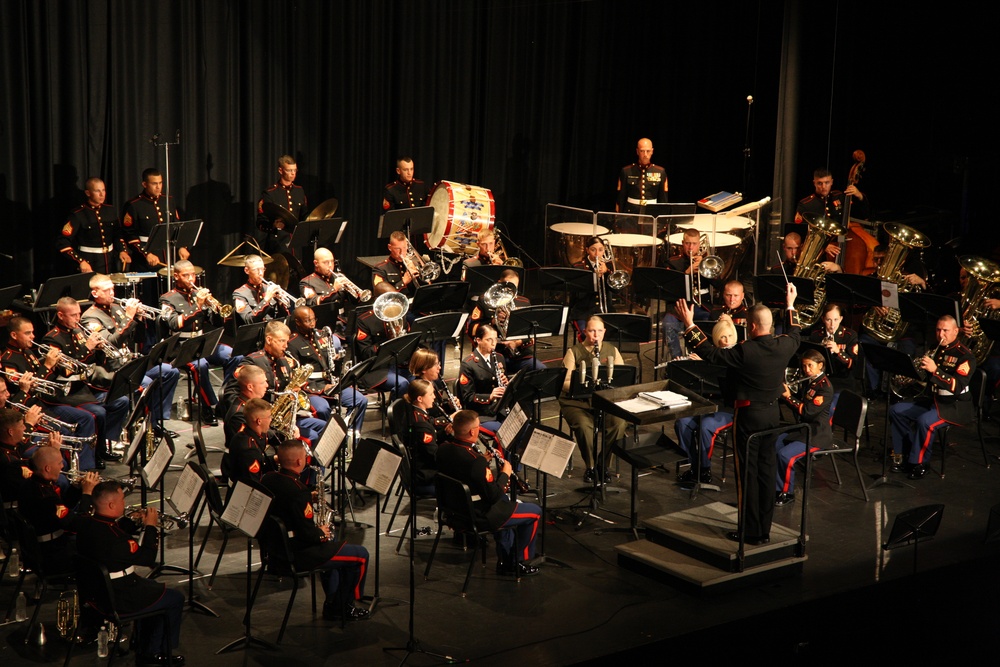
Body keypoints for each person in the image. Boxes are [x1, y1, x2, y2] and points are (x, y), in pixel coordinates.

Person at [675, 281, 801, 545]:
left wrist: (689, 324)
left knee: (748, 475)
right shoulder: (785, 347)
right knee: (766, 474)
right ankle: (763, 530)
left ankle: (749, 532)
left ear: (752, 327)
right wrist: (790, 304)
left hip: (748, 418)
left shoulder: (746, 351)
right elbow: (796, 332)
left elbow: (709, 353)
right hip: (772, 416)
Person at [74, 481, 185, 665]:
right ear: (111, 505)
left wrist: (130, 521)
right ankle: (154, 651)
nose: (124, 504)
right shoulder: (117, 542)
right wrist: (151, 526)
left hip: (94, 595)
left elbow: (112, 531)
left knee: (154, 589)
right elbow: (148, 558)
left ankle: (141, 643)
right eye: (122, 500)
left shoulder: (86, 524)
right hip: (118, 598)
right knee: (174, 598)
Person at [262, 439, 370, 621]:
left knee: (335, 548)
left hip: (274, 551)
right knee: (360, 555)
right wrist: (321, 531)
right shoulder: (298, 491)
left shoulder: (269, 479)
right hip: (297, 554)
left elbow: (285, 505)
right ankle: (345, 606)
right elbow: (307, 535)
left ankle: (333, 602)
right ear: (299, 462)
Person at [436, 410, 541, 576]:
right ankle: (515, 562)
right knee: (535, 512)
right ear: (472, 431)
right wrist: (505, 473)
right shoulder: (475, 462)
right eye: (478, 426)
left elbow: (462, 468)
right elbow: (493, 496)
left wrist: (482, 461)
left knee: (507, 503)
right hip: (476, 516)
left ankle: (505, 558)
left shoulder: (443, 449)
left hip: (453, 512)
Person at [83, 274, 180, 437]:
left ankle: (153, 421)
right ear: (95, 293)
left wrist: (139, 318)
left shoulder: (116, 308)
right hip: (114, 370)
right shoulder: (90, 318)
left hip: (130, 363)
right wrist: (128, 317)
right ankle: (141, 428)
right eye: (107, 290)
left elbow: (139, 339)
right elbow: (111, 343)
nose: (112, 293)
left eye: (112, 289)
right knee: (147, 383)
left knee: (170, 372)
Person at [42, 297, 131, 464]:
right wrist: (87, 348)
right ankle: (95, 454)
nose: (78, 319)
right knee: (99, 413)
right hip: (67, 392)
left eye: (79, 314)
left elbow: (92, 362)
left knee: (121, 400)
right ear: (61, 315)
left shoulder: (79, 331)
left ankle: (105, 443)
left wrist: (99, 350)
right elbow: (66, 370)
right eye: (73, 315)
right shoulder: (52, 339)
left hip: (86, 387)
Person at [2, 316, 99, 469]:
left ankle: (87, 467)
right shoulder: (8, 361)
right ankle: (67, 471)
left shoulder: (28, 351)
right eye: (27, 333)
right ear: (14, 335)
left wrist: (55, 365)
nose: (33, 337)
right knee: (65, 432)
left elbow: (48, 379)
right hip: (28, 409)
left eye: (32, 333)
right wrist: (47, 366)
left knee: (86, 418)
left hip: (45, 402)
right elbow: (22, 394)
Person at [889, 315, 975, 480]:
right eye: (938, 330)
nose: (941, 334)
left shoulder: (965, 356)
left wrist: (935, 371)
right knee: (896, 410)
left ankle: (919, 463)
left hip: (954, 405)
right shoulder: (936, 348)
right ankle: (903, 453)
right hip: (934, 400)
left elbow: (957, 387)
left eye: (945, 330)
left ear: (956, 331)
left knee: (925, 421)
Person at [159, 260, 239, 427]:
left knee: (233, 355)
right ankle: (208, 406)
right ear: (176, 276)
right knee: (200, 365)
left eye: (193, 275)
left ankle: (227, 399)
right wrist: (197, 306)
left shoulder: (198, 295)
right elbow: (174, 323)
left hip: (203, 341)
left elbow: (216, 322)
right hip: (181, 347)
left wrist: (218, 311)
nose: (191, 279)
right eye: (185, 275)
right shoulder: (167, 299)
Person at [558, 316, 627, 483]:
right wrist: (584, 385)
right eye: (591, 330)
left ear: (604, 332)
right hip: (578, 403)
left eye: (599, 331)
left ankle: (603, 465)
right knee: (584, 427)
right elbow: (564, 382)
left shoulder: (612, 350)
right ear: (585, 332)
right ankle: (590, 466)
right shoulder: (574, 351)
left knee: (619, 424)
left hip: (605, 402)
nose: (595, 335)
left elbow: (622, 378)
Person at [238, 320, 329, 443]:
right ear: (269, 340)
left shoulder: (284, 361)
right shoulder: (253, 361)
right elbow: (234, 393)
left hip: (285, 417)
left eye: (287, 341)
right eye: (282, 341)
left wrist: (295, 391)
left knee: (326, 427)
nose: (286, 346)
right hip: (265, 420)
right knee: (311, 436)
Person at [673, 319, 738, 489]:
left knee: (706, 426)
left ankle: (704, 470)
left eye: (730, 336)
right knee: (682, 423)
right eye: (722, 337)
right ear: (716, 340)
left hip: (728, 408)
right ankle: (694, 465)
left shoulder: (737, 357)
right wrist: (692, 366)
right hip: (706, 405)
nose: (727, 341)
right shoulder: (710, 355)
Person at [287, 305, 368, 436]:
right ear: (297, 322)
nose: (312, 324)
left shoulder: (321, 335)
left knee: (360, 400)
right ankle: (328, 441)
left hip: (330, 382)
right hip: (310, 389)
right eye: (308, 321)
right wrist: (321, 389)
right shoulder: (292, 343)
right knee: (323, 409)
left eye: (314, 320)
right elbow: (295, 377)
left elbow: (330, 365)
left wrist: (337, 360)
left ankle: (351, 435)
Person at [18, 447, 98, 573]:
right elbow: (78, 524)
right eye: (60, 463)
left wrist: (76, 489)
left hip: (42, 548)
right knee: (99, 544)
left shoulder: (32, 484)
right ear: (48, 468)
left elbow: (61, 507)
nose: (62, 467)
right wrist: (87, 494)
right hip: (53, 556)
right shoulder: (45, 496)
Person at [774, 348, 834, 506]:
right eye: (804, 366)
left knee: (785, 456)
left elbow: (808, 412)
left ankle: (787, 492)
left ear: (820, 365)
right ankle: (776, 487)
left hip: (817, 435)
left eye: (810, 366)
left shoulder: (825, 387)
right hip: (803, 429)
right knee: (774, 444)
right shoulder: (811, 381)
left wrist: (789, 397)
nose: (806, 370)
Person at [467, 269, 544, 373]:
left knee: (541, 370)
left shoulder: (524, 302)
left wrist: (517, 343)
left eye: (514, 287)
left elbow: (532, 332)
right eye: (507, 286)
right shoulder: (484, 301)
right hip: (492, 353)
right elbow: (472, 329)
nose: (510, 291)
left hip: (519, 355)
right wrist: (493, 322)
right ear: (499, 283)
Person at [58, 178, 131, 274]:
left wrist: (122, 250)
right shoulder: (78, 214)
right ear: (88, 193)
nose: (102, 194)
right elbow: (62, 242)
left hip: (110, 262)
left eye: (103, 190)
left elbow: (117, 235)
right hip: (89, 263)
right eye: (97, 191)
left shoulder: (110, 210)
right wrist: (80, 261)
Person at [121, 168, 188, 270]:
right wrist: (146, 253)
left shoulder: (168, 200)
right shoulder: (134, 205)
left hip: (169, 256)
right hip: (146, 260)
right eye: (154, 184)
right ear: (144, 184)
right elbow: (129, 235)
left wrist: (182, 246)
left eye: (160, 183)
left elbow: (177, 226)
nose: (158, 187)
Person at [354, 283, 413, 399]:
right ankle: (393, 413)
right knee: (402, 384)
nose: (393, 303)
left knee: (422, 379)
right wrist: (388, 341)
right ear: (378, 300)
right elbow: (366, 353)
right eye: (389, 299)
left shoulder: (400, 314)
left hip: (400, 364)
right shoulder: (365, 321)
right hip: (376, 369)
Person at [458, 324, 508, 433]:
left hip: (500, 409)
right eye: (489, 340)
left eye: (495, 339)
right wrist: (489, 397)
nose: (494, 343)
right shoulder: (468, 364)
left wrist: (506, 383)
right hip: (481, 413)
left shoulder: (499, 357)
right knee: (505, 433)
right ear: (478, 340)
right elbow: (468, 397)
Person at [223, 397, 282, 485]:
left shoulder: (245, 435)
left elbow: (260, 462)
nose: (271, 419)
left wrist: (274, 459)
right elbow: (252, 485)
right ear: (259, 421)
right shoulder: (249, 450)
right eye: (269, 417)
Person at [257, 155, 307, 254]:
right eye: (289, 170)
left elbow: (304, 216)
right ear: (281, 171)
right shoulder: (270, 193)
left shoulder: (299, 191)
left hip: (296, 246)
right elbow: (260, 222)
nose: (293, 174)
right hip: (277, 245)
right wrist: (273, 226)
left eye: (295, 170)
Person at [809, 302, 859, 396]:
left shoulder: (850, 335)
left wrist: (838, 352)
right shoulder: (816, 334)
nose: (832, 325)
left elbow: (853, 364)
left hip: (842, 381)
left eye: (836, 320)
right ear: (823, 319)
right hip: (821, 381)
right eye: (829, 320)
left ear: (841, 319)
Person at [409, 348, 460, 436]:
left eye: (439, 363)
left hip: (441, 429)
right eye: (435, 365)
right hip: (432, 433)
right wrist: (450, 418)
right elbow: (426, 419)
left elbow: (436, 408)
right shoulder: (419, 389)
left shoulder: (432, 383)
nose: (439, 368)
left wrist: (449, 405)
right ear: (424, 369)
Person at [401, 379, 439, 495]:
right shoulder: (420, 424)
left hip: (421, 467)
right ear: (420, 399)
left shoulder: (414, 413)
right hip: (424, 475)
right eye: (431, 394)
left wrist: (445, 433)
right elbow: (434, 454)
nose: (434, 397)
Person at [794, 168, 870, 225]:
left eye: (827, 183)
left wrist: (859, 195)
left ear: (832, 182)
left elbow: (863, 215)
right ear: (814, 183)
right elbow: (801, 231)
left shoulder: (839, 196)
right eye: (820, 183)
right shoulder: (805, 204)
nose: (823, 187)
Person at [233, 254, 293, 325]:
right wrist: (266, 299)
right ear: (247, 270)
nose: (261, 273)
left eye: (262, 269)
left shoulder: (268, 288)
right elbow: (249, 320)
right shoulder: (239, 293)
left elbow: (283, 318)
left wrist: (281, 304)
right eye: (256, 270)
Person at [616, 137, 668, 214]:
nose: (645, 154)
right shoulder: (626, 171)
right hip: (631, 213)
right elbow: (621, 197)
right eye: (642, 151)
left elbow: (663, 199)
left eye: (648, 151)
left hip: (651, 213)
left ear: (652, 151)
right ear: (637, 151)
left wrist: (663, 221)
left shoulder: (660, 171)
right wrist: (618, 217)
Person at [372, 230, 420, 298]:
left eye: (404, 248)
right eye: (397, 249)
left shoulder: (414, 264)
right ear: (389, 247)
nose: (402, 252)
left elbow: (424, 289)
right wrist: (403, 282)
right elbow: (382, 296)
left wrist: (419, 275)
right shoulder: (380, 269)